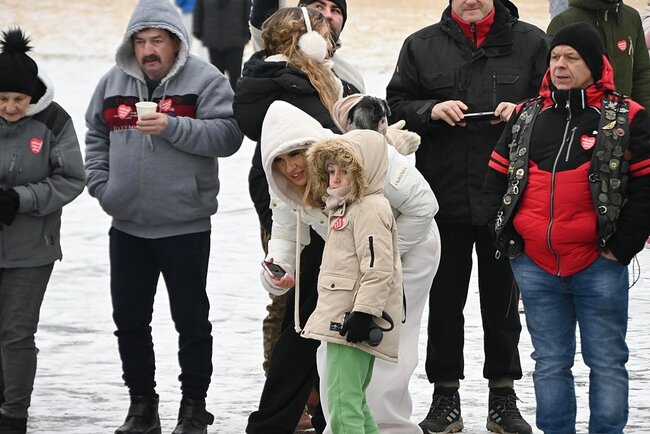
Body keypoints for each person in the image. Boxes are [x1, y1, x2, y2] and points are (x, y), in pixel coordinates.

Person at [386, 1, 549, 433]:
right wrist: (430, 111)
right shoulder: (420, 45)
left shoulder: (532, 42)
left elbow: (555, 103)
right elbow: (395, 106)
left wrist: (524, 111)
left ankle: (503, 397)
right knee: (444, 302)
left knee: (503, 304)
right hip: (442, 197)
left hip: (508, 199)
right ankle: (445, 396)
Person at [84, 0, 243, 433]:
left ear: (176, 42)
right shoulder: (112, 82)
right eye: (140, 42)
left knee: (191, 322)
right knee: (129, 321)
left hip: (185, 226)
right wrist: (102, 186)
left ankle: (194, 408)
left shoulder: (206, 80)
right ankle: (142, 407)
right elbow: (95, 133)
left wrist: (173, 127)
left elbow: (229, 135)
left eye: (156, 40)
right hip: (127, 226)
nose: (148, 50)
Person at [484, 22, 650, 434]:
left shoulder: (628, 116)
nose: (559, 65)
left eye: (571, 58)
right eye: (555, 57)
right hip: (535, 265)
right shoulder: (526, 114)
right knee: (549, 362)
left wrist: (621, 248)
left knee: (607, 360)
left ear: (594, 64)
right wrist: (508, 238)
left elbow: (646, 189)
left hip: (600, 263)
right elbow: (494, 180)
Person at [255, 100, 439, 434]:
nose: (290, 167)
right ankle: (347, 423)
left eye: (295, 154)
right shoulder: (284, 185)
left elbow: (424, 205)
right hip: (355, 257)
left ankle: (390, 426)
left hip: (409, 245)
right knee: (334, 345)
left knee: (384, 343)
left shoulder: (353, 157)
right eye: (279, 160)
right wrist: (278, 268)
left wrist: (387, 256)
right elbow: (285, 231)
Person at [0, 27, 85, 434]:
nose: (10, 107)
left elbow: (72, 179)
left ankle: (14, 415)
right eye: (2, 98)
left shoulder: (54, 121)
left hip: (32, 249)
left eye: (19, 99)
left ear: (33, 96)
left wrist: (21, 199)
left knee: (16, 334)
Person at [300, 131, 403, 434]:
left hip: (350, 320)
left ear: (364, 171)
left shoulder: (368, 208)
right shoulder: (349, 207)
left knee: (343, 404)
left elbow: (377, 267)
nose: (334, 179)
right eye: (331, 171)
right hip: (344, 316)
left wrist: (364, 312)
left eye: (344, 172)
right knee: (353, 401)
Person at [548, 0, 650, 109]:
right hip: (581, 116)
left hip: (625, 115)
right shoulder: (564, 21)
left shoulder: (631, 18)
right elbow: (550, 81)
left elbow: (641, 75)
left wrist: (644, 116)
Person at [193, 0, 252, 90]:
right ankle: (234, 96)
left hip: (218, 37)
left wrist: (198, 31)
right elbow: (248, 12)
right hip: (233, 37)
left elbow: (199, 10)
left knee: (219, 76)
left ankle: (223, 96)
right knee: (231, 75)